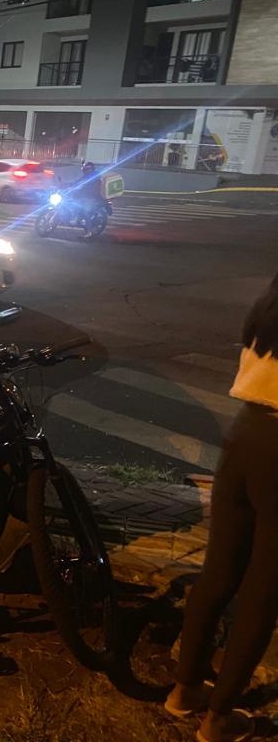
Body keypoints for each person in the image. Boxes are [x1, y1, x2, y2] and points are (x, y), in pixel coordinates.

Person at [166, 273, 278, 742]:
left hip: (243, 437)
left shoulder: (268, 309)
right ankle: (218, 719)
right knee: (262, 592)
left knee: (218, 573)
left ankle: (185, 689)